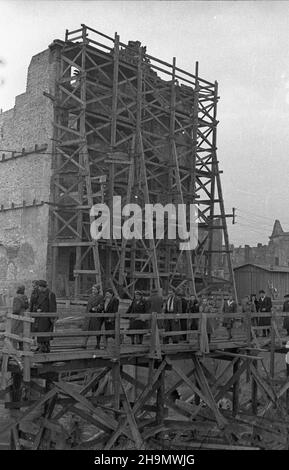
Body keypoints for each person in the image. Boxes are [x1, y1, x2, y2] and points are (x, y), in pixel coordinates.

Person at [32, 280, 56, 353]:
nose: (38, 288)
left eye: (39, 287)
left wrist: (52, 317)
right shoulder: (39, 293)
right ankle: (40, 347)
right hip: (40, 317)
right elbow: (36, 304)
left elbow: (52, 307)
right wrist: (37, 310)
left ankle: (45, 348)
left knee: (45, 333)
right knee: (39, 332)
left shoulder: (50, 294)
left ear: (42, 287)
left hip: (46, 318)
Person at [82, 284, 104, 349]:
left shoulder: (100, 297)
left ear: (98, 290)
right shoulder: (90, 296)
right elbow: (88, 306)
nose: (93, 290)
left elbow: (101, 306)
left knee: (97, 331)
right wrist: (86, 314)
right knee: (87, 330)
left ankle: (98, 344)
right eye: (92, 289)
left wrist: (95, 308)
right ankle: (84, 344)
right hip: (89, 316)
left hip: (96, 316)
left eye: (95, 289)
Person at [11, 285, 29, 350]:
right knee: (22, 331)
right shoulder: (25, 297)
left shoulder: (16, 298)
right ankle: (21, 347)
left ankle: (14, 348)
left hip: (17, 317)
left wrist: (12, 313)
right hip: (23, 315)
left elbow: (16, 309)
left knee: (15, 331)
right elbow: (27, 306)